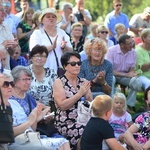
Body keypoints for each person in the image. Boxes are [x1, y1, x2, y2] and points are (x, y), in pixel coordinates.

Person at [9, 66, 71, 150]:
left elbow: (33, 125)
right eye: (25, 79)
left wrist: (43, 117)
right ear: (15, 81)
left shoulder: (28, 96)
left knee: (64, 141)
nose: (28, 82)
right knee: (60, 143)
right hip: (19, 137)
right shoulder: (9, 99)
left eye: (29, 79)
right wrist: (37, 117)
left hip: (32, 133)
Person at [53, 51, 93, 150]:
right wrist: (79, 94)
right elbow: (62, 105)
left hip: (83, 118)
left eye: (79, 63)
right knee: (84, 131)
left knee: (99, 127)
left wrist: (87, 94)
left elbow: (90, 102)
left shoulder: (83, 81)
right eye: (73, 64)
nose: (77, 66)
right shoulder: (59, 82)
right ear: (65, 66)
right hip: (66, 121)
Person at [29, 7, 72, 74]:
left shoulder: (62, 32)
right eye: (48, 17)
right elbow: (34, 52)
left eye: (53, 17)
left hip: (60, 70)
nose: (51, 18)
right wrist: (52, 47)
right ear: (42, 20)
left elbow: (71, 50)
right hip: (43, 71)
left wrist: (65, 47)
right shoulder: (37, 33)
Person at [106, 34, 142, 112]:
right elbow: (109, 70)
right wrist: (126, 74)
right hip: (113, 75)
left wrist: (132, 74)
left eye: (132, 42)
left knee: (136, 82)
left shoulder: (133, 52)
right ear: (122, 45)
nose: (132, 45)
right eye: (129, 43)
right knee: (111, 79)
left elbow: (131, 69)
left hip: (125, 77)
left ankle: (129, 104)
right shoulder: (111, 51)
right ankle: (112, 103)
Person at [0, 2, 18, 70]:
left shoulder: (6, 25)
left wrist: (12, 47)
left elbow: (12, 53)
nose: (4, 13)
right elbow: (3, 46)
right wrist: (3, 45)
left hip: (6, 70)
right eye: (1, 10)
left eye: (4, 10)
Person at [0, 73, 14, 150]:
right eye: (5, 84)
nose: (10, 87)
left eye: (11, 84)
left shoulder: (8, 106)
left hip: (7, 143)